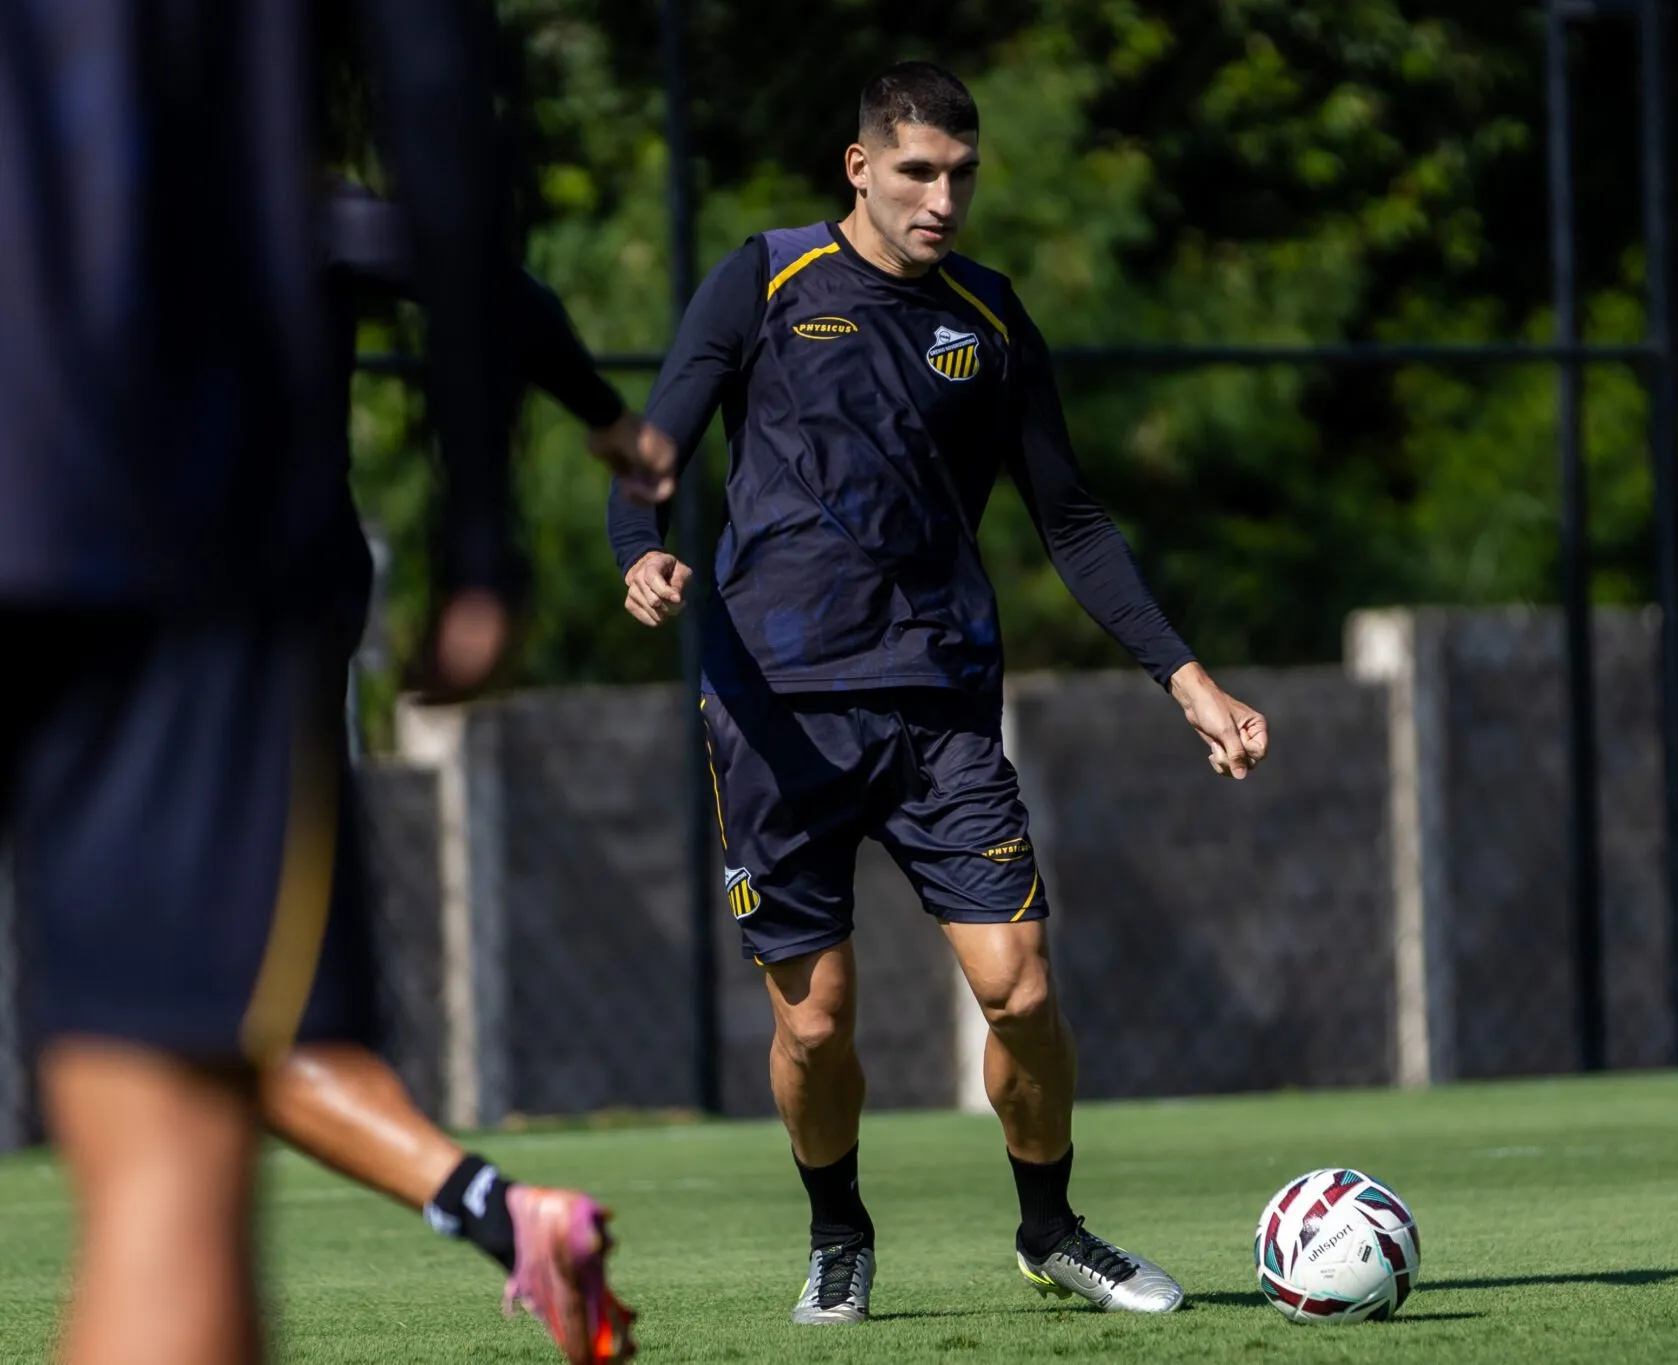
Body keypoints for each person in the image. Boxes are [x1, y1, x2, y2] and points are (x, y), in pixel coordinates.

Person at [607, 60, 1269, 1325]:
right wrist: (636, 549)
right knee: (815, 1026)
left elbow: (1072, 522)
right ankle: (838, 1236)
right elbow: (653, 451)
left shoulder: (991, 316)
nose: (942, 199)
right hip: (774, 715)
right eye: (916, 171)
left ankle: (1050, 1228)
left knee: (1020, 986)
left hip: (939, 707)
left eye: (961, 174)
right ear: (859, 167)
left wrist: (1183, 675)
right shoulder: (763, 279)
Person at [0, 3, 519, 1363]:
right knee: (167, 1146)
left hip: (130, 497)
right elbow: (434, 97)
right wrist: (479, 529)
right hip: (148, 487)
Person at [239, 180, 652, 1365]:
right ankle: (504, 1217)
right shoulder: (293, 197)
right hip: (282, 608)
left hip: (165, 631)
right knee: (226, 1026)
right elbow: (484, 281)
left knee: (189, 1037)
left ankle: (505, 1215)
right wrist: (602, 416)